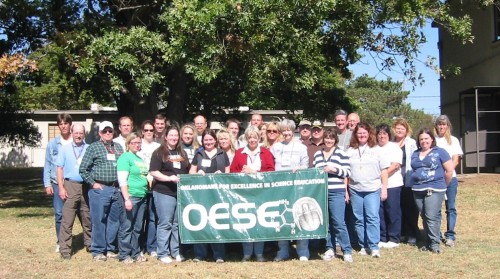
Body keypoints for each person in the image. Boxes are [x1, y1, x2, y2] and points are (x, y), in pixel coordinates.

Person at [79, 121, 125, 261]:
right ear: (99, 133)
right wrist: (93, 184)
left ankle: (110, 248)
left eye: (110, 131)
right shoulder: (93, 147)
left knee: (114, 220)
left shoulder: (118, 147)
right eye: (104, 131)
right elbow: (83, 169)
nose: (107, 133)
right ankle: (98, 250)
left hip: (115, 188)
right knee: (98, 220)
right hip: (100, 189)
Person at [230, 126, 275, 262]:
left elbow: (271, 172)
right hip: (244, 193)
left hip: (262, 193)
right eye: (250, 137)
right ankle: (247, 253)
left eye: (255, 137)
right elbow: (232, 172)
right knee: (246, 222)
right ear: (246, 138)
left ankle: (259, 254)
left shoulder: (266, 152)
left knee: (259, 222)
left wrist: (254, 172)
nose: (252, 140)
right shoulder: (239, 153)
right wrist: (242, 174)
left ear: (259, 138)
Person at [346, 122, 389, 258]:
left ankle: (373, 246)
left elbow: (384, 170)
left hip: (372, 189)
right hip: (355, 189)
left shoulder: (376, 150)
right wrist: (346, 190)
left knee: (372, 217)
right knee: (358, 219)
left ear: (369, 134)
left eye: (364, 132)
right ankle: (363, 245)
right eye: (359, 133)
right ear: (355, 134)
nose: (362, 135)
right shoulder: (350, 151)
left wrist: (384, 188)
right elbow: (346, 173)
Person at [270, 119, 309, 261]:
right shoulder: (276, 147)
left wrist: (300, 168)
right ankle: (283, 250)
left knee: (300, 216)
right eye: (284, 130)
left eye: (289, 130)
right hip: (280, 188)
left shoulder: (301, 147)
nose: (286, 133)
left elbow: (306, 166)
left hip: (297, 187)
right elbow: (271, 166)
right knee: (282, 218)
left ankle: (302, 250)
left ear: (293, 131)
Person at [150, 126, 190, 264]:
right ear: (165, 137)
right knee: (165, 223)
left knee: (177, 224)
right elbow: (154, 171)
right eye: (171, 135)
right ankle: (162, 252)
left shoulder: (181, 152)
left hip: (179, 192)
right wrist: (169, 178)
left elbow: (188, 169)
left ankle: (176, 251)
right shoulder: (159, 152)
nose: (174, 138)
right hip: (163, 191)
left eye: (176, 136)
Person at [411, 128, 454, 253]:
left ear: (432, 139)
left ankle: (435, 244)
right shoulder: (415, 153)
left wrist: (443, 185)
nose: (424, 141)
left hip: (434, 188)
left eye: (426, 138)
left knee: (431, 216)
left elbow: (449, 170)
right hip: (418, 189)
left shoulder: (440, 152)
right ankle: (429, 242)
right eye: (421, 139)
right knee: (424, 216)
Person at [312, 129, 353, 263]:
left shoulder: (341, 153)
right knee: (327, 223)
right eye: (327, 138)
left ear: (335, 139)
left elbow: (347, 172)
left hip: (336, 192)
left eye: (331, 138)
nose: (329, 140)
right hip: (321, 192)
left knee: (338, 222)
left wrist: (333, 169)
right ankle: (330, 248)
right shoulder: (318, 154)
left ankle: (346, 250)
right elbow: (314, 171)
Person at [189, 130, 230, 263]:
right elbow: (191, 172)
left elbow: (229, 173)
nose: (208, 142)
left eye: (211, 140)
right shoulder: (199, 154)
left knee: (216, 222)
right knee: (200, 222)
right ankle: (199, 254)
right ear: (203, 141)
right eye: (206, 140)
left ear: (215, 140)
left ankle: (219, 254)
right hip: (201, 195)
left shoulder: (222, 153)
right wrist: (197, 173)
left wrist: (222, 175)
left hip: (218, 195)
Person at [56, 123, 91, 260]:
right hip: (70, 185)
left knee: (87, 217)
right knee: (67, 219)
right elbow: (59, 169)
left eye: (81, 133)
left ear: (84, 134)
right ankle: (65, 249)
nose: (78, 135)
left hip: (86, 186)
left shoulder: (89, 148)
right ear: (72, 133)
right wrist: (61, 187)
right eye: (76, 133)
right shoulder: (64, 149)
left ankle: (90, 243)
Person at [117, 133, 149, 263]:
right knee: (127, 226)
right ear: (128, 144)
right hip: (131, 196)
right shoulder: (125, 158)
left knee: (137, 227)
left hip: (142, 196)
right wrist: (126, 199)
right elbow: (122, 180)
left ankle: (136, 253)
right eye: (134, 143)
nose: (137, 145)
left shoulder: (139, 158)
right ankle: (124, 254)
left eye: (139, 142)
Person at [43, 112, 73, 252]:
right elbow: (48, 164)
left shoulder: (76, 141)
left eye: (65, 123)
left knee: (81, 213)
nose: (63, 126)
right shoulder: (53, 144)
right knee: (59, 214)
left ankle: (87, 241)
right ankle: (60, 241)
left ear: (70, 124)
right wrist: (47, 184)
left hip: (73, 182)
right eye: (60, 124)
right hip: (57, 182)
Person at [434, 115, 463, 247]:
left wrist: (448, 171)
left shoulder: (453, 141)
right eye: (439, 124)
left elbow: (456, 159)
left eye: (444, 124)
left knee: (450, 207)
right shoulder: (433, 140)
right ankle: (437, 234)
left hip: (451, 178)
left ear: (448, 126)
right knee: (436, 208)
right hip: (436, 179)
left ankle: (450, 235)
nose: (441, 127)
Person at [376, 124, 403, 249]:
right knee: (380, 212)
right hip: (377, 185)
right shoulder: (374, 148)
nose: (382, 136)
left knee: (392, 211)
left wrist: (383, 175)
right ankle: (383, 237)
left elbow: (396, 165)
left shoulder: (394, 147)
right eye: (380, 134)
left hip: (393, 184)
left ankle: (394, 238)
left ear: (388, 135)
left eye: (384, 134)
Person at [392, 118, 419, 246]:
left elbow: (415, 160)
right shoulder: (391, 143)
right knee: (399, 207)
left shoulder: (411, 143)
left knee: (411, 208)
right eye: (397, 128)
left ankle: (412, 234)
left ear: (406, 130)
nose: (400, 130)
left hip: (408, 179)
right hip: (395, 180)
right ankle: (402, 232)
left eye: (402, 128)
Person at [137, 120, 161, 258]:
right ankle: (139, 246)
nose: (149, 132)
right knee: (140, 218)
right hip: (139, 185)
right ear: (142, 131)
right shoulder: (137, 145)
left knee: (153, 218)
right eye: (146, 130)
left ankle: (151, 246)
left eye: (151, 130)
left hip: (154, 185)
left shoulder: (158, 147)